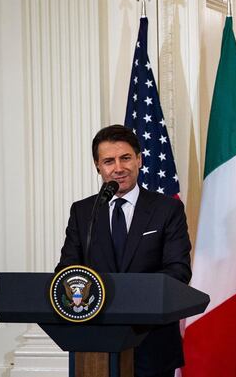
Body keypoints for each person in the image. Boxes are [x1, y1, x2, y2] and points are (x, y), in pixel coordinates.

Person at [56, 125, 192, 377]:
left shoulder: (167, 209)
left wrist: (129, 295)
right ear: (98, 166)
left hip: (152, 342)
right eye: (109, 161)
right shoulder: (83, 212)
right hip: (94, 343)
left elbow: (179, 271)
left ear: (139, 159)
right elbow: (67, 270)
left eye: (125, 158)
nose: (118, 168)